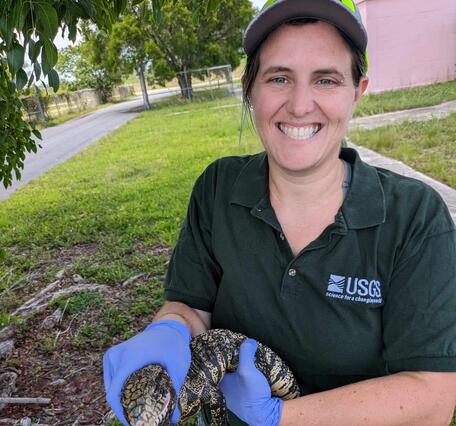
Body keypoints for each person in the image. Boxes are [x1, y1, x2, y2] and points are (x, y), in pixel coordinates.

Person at [103, 0, 456, 424]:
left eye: (326, 79)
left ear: (356, 92)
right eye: (279, 78)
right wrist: (169, 330)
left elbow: (433, 397)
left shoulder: (415, 216)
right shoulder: (218, 189)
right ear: (250, 89)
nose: (300, 104)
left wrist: (277, 418)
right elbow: (192, 306)